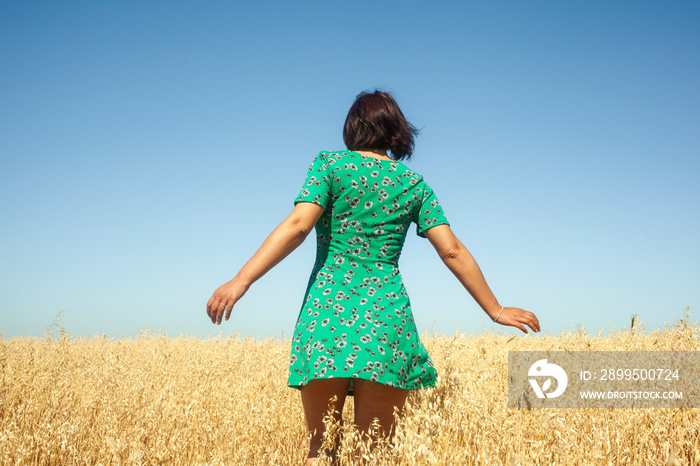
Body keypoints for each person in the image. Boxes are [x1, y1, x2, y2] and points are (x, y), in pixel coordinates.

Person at [206, 90, 540, 464]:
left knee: (321, 450)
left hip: (327, 315)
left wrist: (242, 280)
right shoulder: (413, 184)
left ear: (353, 128)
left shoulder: (331, 166)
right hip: (385, 320)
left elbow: (299, 226)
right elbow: (452, 250)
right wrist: (494, 310)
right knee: (375, 454)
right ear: (396, 131)